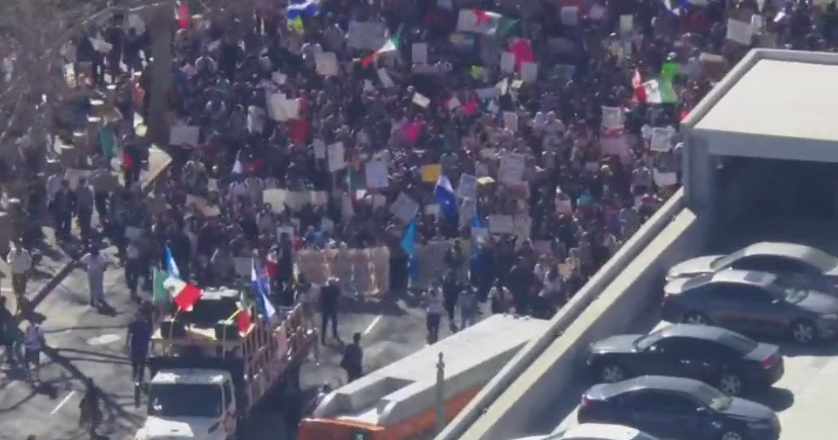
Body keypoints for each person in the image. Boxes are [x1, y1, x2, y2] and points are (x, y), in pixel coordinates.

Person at [126, 309, 152, 383]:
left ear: (143, 317)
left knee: (142, 363)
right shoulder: (133, 324)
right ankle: (134, 373)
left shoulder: (147, 325)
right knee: (134, 361)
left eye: (140, 316)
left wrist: (151, 344)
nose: (139, 317)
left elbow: (149, 335)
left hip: (143, 346)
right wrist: (127, 344)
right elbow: (129, 334)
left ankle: (140, 378)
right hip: (135, 345)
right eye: (138, 316)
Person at [7, 242, 31, 314]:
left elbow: (29, 261)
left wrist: (26, 269)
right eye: (16, 246)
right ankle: (18, 295)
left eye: (19, 246)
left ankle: (21, 298)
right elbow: (9, 257)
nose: (17, 247)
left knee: (22, 285)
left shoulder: (25, 253)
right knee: (15, 284)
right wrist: (9, 261)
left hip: (22, 272)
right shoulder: (13, 251)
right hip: (14, 271)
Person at [319, 277, 340, 344]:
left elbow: (321, 297)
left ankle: (322, 338)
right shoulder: (335, 289)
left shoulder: (323, 289)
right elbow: (338, 294)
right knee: (334, 322)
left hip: (325, 308)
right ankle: (334, 334)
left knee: (324, 323)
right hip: (332, 307)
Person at [23, 319, 44, 384]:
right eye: (30, 322)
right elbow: (26, 337)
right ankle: (29, 377)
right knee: (26, 364)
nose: (30, 323)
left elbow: (41, 339)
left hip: (35, 349)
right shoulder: (28, 328)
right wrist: (26, 342)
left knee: (36, 363)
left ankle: (36, 377)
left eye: (31, 322)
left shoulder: (38, 329)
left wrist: (36, 343)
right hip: (28, 348)